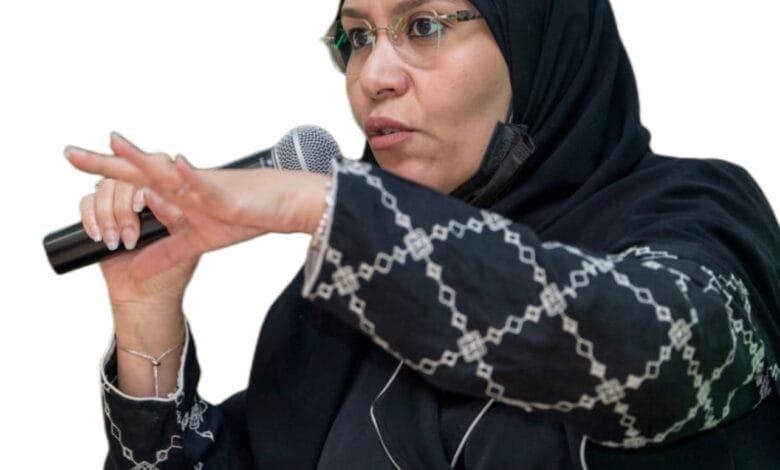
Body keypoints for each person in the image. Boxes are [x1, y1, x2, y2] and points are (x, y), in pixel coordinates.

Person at [64, 0, 780, 468]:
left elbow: (659, 357)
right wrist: (147, 308)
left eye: (423, 26)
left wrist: (327, 207)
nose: (373, 75)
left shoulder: (691, 210)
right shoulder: (338, 307)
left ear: (537, 38)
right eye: (356, 37)